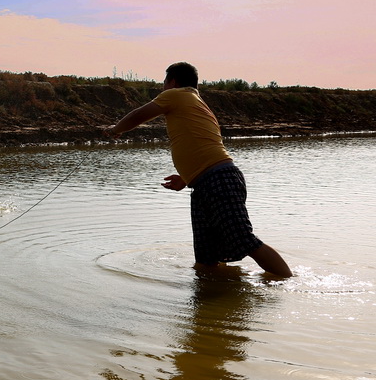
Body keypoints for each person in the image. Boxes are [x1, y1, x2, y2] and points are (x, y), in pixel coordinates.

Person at [106, 62, 292, 278]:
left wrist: (115, 129)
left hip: (219, 180)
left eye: (164, 82)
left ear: (172, 82)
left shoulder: (176, 95)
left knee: (245, 240)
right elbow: (200, 144)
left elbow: (138, 115)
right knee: (206, 257)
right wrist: (186, 178)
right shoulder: (195, 102)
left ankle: (287, 283)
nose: (162, 88)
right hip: (206, 183)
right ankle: (212, 297)